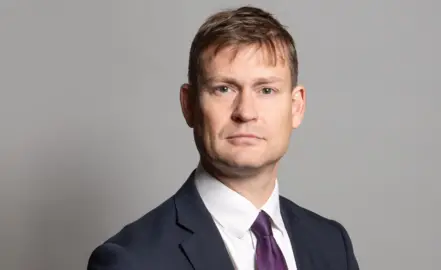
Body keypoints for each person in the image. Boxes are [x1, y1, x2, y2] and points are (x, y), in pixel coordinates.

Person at [87, 5, 359, 270]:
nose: (246, 112)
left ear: (296, 106)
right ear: (189, 105)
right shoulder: (131, 261)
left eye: (266, 90)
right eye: (224, 89)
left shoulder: (332, 245)